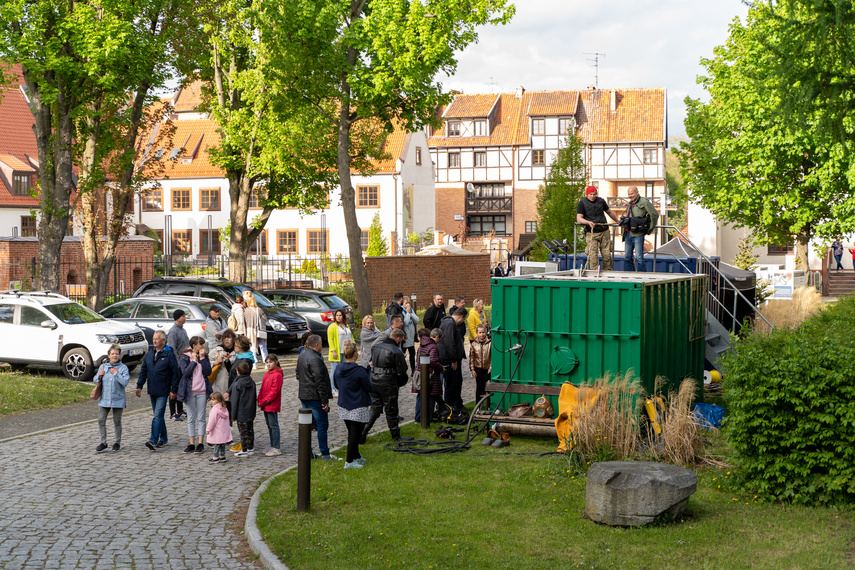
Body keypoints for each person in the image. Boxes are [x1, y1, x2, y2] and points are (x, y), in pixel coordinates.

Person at [362, 328, 411, 442]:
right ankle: (396, 436)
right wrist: (399, 381)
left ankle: (362, 433)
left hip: (374, 380)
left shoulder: (376, 347)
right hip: (388, 383)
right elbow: (402, 371)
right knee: (391, 410)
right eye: (402, 340)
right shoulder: (396, 350)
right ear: (398, 338)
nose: (401, 342)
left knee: (375, 408)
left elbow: (371, 362)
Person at [136, 330, 179, 450]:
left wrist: (173, 389)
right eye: (154, 339)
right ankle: (164, 437)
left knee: (157, 415)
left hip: (163, 390)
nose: (154, 341)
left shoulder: (169, 354)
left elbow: (176, 374)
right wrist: (139, 385)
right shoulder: (150, 354)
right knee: (158, 416)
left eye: (157, 339)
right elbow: (143, 371)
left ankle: (153, 440)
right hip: (152, 389)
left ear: (163, 340)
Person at [297, 334, 338, 460]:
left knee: (308, 425)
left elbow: (298, 374)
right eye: (320, 344)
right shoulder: (315, 359)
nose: (321, 346)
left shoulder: (302, 356)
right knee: (321, 425)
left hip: (304, 395)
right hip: (314, 397)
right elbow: (320, 381)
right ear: (316, 345)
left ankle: (308, 453)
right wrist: (324, 400)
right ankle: (325, 453)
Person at [334, 340, 372, 468]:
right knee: (355, 434)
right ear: (355, 354)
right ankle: (349, 461)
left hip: (344, 404)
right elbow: (368, 387)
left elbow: (335, 384)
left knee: (352, 432)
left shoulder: (338, 368)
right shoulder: (360, 371)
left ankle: (356, 456)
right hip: (358, 405)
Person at [176, 336, 213, 454]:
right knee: (191, 418)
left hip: (202, 391)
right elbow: (185, 373)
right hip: (189, 391)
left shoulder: (204, 356)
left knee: (201, 417)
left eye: (203, 344)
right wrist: (193, 361)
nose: (202, 346)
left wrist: (202, 358)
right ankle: (192, 443)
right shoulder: (184, 357)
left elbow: (208, 372)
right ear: (194, 346)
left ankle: (201, 443)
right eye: (200, 344)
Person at [95, 344, 129, 453]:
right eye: (112, 354)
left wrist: (116, 374)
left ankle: (117, 442)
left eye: (117, 354)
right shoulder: (103, 366)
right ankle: (103, 442)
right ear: (109, 355)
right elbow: (95, 380)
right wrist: (99, 376)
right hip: (105, 399)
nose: (115, 356)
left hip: (118, 399)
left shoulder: (123, 368)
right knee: (101, 420)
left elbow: (125, 382)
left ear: (119, 355)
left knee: (117, 421)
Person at [576, 185, 620, 271]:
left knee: (607, 254)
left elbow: (609, 212)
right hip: (591, 232)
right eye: (590, 194)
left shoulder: (601, 201)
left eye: (594, 194)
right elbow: (579, 218)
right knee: (592, 254)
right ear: (587, 194)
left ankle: (608, 273)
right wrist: (588, 222)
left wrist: (617, 221)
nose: (592, 196)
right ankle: (594, 273)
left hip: (604, 231)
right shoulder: (582, 203)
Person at [622, 185, 659, 272]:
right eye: (629, 194)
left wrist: (649, 229)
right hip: (628, 233)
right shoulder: (630, 203)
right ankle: (630, 277)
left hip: (638, 234)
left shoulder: (644, 202)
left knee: (639, 257)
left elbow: (654, 215)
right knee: (627, 257)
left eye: (632, 194)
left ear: (637, 193)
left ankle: (642, 276)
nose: (630, 196)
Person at [225, 359, 257, 457]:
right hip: (250, 410)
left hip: (241, 412)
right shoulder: (252, 382)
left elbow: (234, 401)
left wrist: (233, 416)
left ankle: (244, 449)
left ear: (238, 372)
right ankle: (251, 448)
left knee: (243, 431)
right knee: (250, 430)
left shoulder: (237, 385)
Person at [414, 327, 445, 422]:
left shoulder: (422, 345)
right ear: (437, 337)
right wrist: (441, 368)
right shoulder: (433, 346)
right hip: (431, 375)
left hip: (420, 373)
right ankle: (428, 418)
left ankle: (418, 418)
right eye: (439, 339)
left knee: (420, 396)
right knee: (431, 396)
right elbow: (433, 361)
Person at [438, 308, 466, 409]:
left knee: (457, 381)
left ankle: (457, 403)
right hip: (449, 359)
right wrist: (453, 360)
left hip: (452, 358)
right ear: (461, 316)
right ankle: (450, 406)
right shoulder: (450, 324)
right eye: (463, 320)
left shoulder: (450, 323)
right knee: (451, 383)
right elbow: (450, 343)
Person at [258, 354, 283, 456]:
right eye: (267, 362)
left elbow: (274, 391)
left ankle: (276, 447)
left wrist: (264, 401)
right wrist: (259, 399)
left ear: (276, 362)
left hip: (271, 404)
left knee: (274, 425)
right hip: (265, 404)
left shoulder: (277, 375)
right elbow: (262, 388)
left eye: (270, 362)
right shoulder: (267, 374)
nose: (268, 364)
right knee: (269, 425)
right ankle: (272, 445)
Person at [166, 309, 189, 421]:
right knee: (174, 388)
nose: (185, 318)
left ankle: (180, 410)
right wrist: (177, 364)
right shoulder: (173, 332)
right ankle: (172, 412)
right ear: (179, 317)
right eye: (184, 316)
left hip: (184, 364)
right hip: (177, 365)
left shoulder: (183, 330)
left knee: (182, 387)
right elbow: (172, 349)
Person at [327, 308, 352, 393]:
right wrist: (333, 351)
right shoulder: (332, 326)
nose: (338, 317)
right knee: (334, 370)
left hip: (345, 351)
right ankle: (332, 388)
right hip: (336, 352)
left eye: (340, 315)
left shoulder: (346, 326)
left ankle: (341, 386)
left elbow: (351, 337)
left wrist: (353, 347)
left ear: (343, 316)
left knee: (344, 370)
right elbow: (330, 340)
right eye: (337, 315)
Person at [243, 291, 268, 368]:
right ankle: (266, 362)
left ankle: (254, 364)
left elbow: (244, 323)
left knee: (252, 347)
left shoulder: (246, 311)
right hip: (259, 330)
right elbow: (265, 319)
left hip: (250, 330)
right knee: (263, 346)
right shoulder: (259, 310)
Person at [469, 324, 492, 407]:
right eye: (480, 333)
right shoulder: (474, 344)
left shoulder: (490, 343)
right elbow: (471, 358)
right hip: (478, 368)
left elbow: (492, 356)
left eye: (483, 332)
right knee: (479, 387)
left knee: (488, 387)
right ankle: (478, 406)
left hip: (487, 369)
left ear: (485, 333)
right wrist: (472, 369)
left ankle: (488, 405)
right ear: (476, 333)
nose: (481, 334)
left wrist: (491, 366)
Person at [206, 392, 230, 463]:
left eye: (213, 400)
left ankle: (215, 457)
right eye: (211, 399)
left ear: (219, 400)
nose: (211, 401)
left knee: (216, 443)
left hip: (217, 430)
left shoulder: (215, 410)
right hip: (223, 430)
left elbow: (212, 421)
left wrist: (208, 429)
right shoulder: (224, 408)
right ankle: (222, 456)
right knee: (222, 443)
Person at [401, 298, 419, 374]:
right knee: (403, 354)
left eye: (408, 303)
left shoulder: (411, 310)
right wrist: (408, 313)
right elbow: (406, 322)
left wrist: (411, 313)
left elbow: (417, 320)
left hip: (411, 337)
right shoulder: (402, 311)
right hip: (405, 337)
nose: (408, 305)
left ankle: (413, 370)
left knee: (412, 354)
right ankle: (402, 370)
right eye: (406, 303)